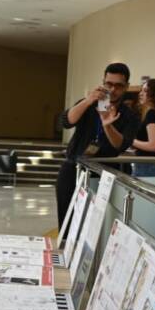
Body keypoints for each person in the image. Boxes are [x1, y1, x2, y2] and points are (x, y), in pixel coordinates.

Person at [55, 62, 140, 224]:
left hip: (106, 173)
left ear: (126, 86)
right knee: (67, 221)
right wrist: (88, 101)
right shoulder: (88, 103)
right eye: (109, 84)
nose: (113, 90)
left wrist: (107, 125)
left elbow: (120, 145)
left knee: (97, 225)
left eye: (118, 86)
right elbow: (66, 122)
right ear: (103, 82)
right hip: (74, 167)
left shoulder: (130, 115)